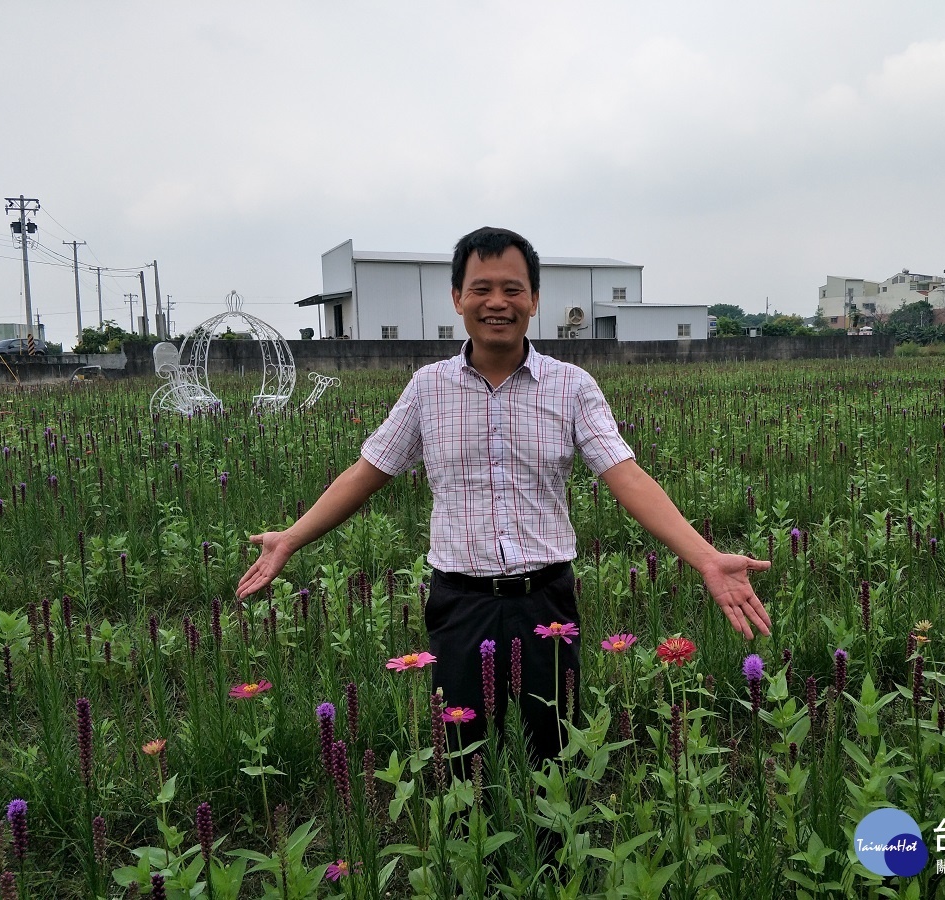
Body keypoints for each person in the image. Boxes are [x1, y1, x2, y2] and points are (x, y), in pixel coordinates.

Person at [236, 226, 772, 766]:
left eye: (513, 289)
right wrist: (291, 539)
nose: (498, 302)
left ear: (535, 300)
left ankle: (551, 853)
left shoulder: (572, 387)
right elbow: (367, 471)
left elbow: (626, 475)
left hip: (546, 604)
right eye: (481, 288)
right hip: (460, 604)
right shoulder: (428, 388)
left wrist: (705, 557)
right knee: (465, 759)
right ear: (457, 298)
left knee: (553, 756)